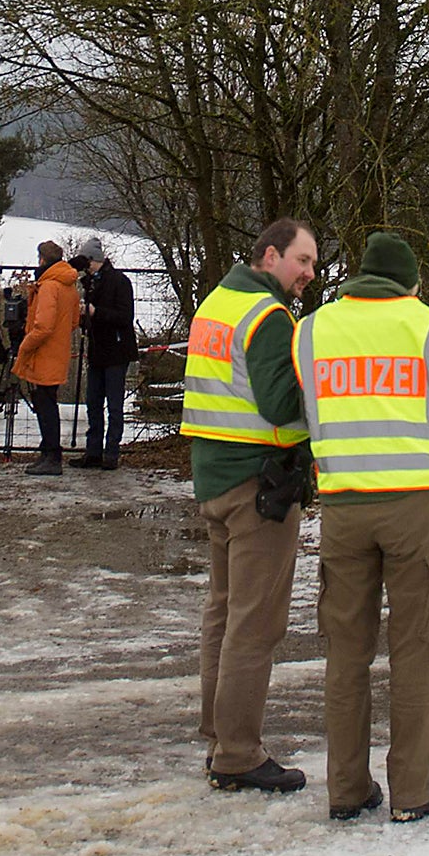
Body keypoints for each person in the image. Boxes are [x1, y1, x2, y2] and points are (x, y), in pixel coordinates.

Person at [293, 231, 429, 824]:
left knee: (346, 653)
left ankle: (346, 790)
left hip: (343, 507)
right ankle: (412, 795)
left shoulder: (313, 329)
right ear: (411, 282)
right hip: (414, 510)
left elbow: (302, 407)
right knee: (414, 650)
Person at [180, 218, 320, 794]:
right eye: (303, 261)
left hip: (214, 480)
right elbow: (280, 402)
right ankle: (238, 753)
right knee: (254, 623)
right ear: (270, 256)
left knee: (224, 611)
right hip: (259, 487)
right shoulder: (266, 317)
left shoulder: (218, 300)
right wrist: (323, 383)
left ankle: (220, 733)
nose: (310, 274)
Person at [12, 238, 82, 476]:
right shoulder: (69, 285)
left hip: (43, 354)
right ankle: (48, 453)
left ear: (42, 259)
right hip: (58, 352)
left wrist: (25, 346)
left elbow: (43, 326)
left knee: (45, 405)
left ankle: (51, 455)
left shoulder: (49, 286)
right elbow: (74, 321)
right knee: (48, 402)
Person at [74, 234, 138, 470]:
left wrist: (95, 312)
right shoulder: (90, 284)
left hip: (116, 351)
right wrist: (84, 318)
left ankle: (111, 452)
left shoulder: (119, 282)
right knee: (93, 403)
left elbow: (125, 317)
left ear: (94, 259)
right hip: (97, 350)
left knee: (113, 405)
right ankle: (93, 452)